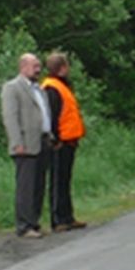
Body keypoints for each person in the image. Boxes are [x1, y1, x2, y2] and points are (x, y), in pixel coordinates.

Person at [0, 53, 53, 238]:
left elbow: (44, 113)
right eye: (34, 66)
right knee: (26, 186)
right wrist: (16, 142)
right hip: (25, 143)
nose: (38, 69)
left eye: (39, 66)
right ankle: (24, 225)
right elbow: (10, 117)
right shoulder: (13, 88)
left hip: (43, 141)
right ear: (23, 67)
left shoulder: (39, 89)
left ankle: (34, 222)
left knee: (39, 185)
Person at [42, 51, 87, 232]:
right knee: (57, 181)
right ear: (62, 68)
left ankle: (67, 216)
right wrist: (55, 138)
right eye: (66, 65)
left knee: (65, 180)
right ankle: (58, 219)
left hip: (69, 139)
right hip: (60, 142)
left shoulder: (61, 85)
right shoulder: (52, 87)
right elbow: (51, 115)